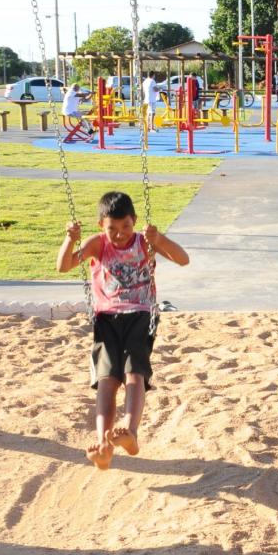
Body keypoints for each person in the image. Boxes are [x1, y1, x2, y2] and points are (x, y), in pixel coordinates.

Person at [56, 190, 190, 470]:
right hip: (106, 318)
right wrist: (70, 239)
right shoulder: (98, 244)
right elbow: (63, 266)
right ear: (101, 227)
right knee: (106, 380)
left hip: (141, 315)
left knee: (133, 374)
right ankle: (104, 445)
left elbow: (182, 259)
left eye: (126, 226)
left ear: (135, 221)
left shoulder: (144, 243)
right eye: (112, 229)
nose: (119, 234)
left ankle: (130, 431)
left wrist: (159, 239)